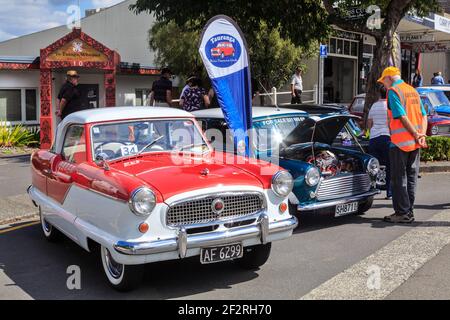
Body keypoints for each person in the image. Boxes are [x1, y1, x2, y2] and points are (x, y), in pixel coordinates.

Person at [378, 66, 428, 223]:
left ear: (389, 78)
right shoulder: (413, 90)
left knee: (398, 179)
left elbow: (401, 116)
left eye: (383, 81)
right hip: (415, 143)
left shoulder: (393, 91)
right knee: (411, 178)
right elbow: (424, 115)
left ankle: (402, 213)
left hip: (400, 143)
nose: (383, 85)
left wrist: (415, 134)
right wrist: (421, 135)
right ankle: (408, 211)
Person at [367, 85, 392, 199]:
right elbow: (391, 123)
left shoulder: (374, 105)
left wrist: (370, 131)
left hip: (374, 138)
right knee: (389, 165)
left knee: (373, 166)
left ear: (379, 93)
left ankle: (373, 189)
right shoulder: (390, 106)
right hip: (386, 137)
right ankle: (389, 192)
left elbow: (369, 123)